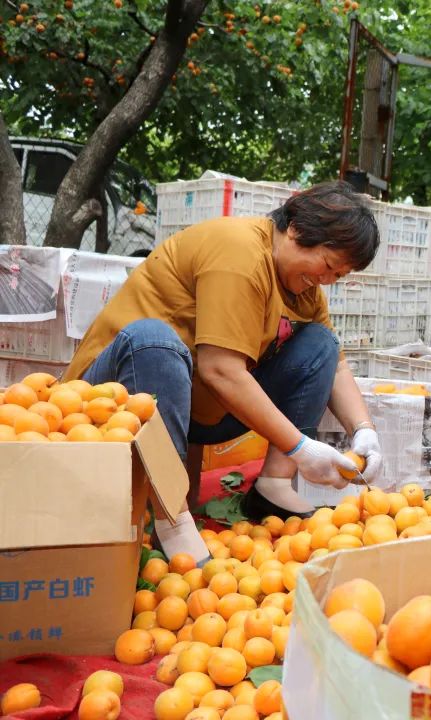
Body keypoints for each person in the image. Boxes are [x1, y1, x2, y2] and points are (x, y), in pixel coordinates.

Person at [64, 181, 385, 563]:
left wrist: (364, 431)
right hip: (113, 401)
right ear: (297, 229)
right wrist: (301, 448)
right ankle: (171, 518)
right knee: (154, 340)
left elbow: (336, 365)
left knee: (321, 344)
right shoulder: (240, 253)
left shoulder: (302, 288)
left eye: (339, 276)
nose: (327, 281)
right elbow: (220, 370)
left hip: (190, 409)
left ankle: (273, 486)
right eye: (329, 266)